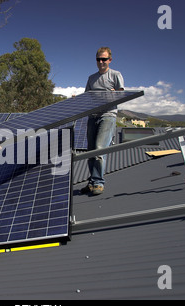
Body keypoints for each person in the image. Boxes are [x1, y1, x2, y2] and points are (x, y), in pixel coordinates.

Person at [81, 47, 124, 196]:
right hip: (93, 116)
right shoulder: (91, 78)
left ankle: (98, 182)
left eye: (104, 59)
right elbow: (86, 97)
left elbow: (122, 94)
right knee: (90, 150)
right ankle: (92, 182)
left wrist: (115, 94)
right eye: (98, 59)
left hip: (108, 115)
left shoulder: (115, 75)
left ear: (109, 60)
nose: (101, 62)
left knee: (100, 149)